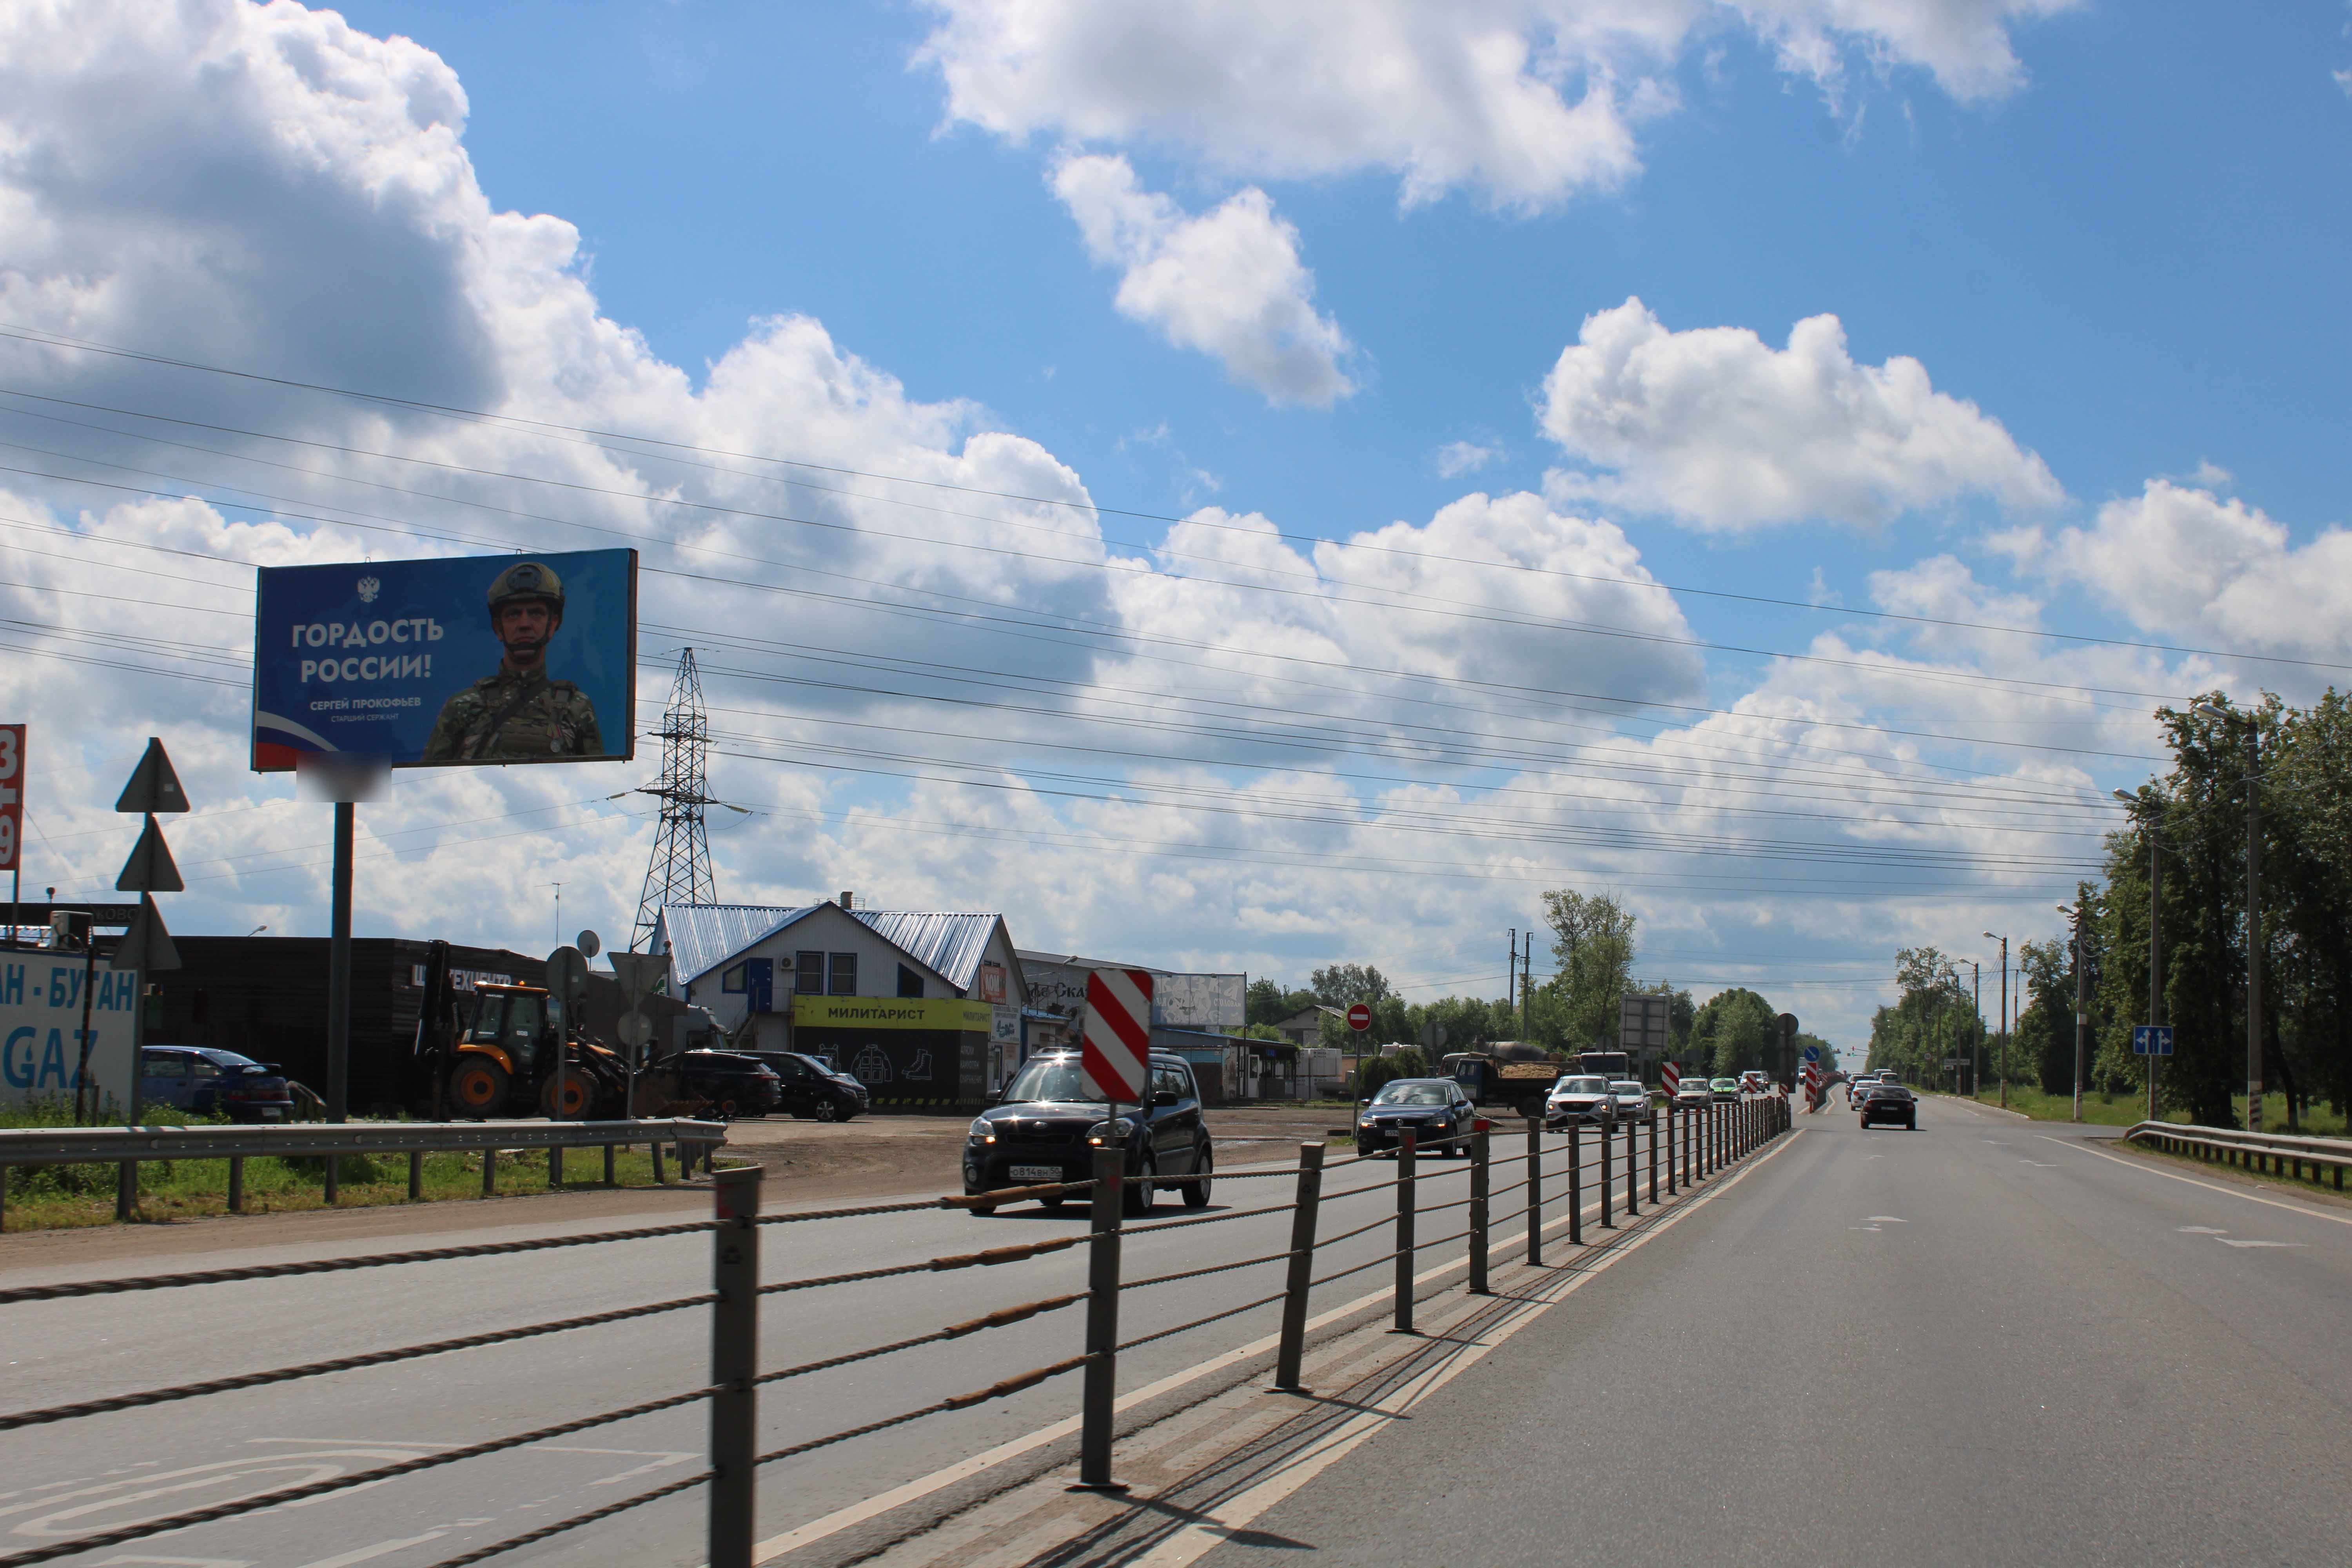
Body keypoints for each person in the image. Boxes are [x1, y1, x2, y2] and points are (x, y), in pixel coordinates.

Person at [421, 561, 603, 762]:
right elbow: (430, 774)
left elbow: (596, 773)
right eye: (513, 614)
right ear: (498, 628)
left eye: (536, 613)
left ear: (553, 625)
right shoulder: (462, 706)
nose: (524, 624)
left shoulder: (576, 706)